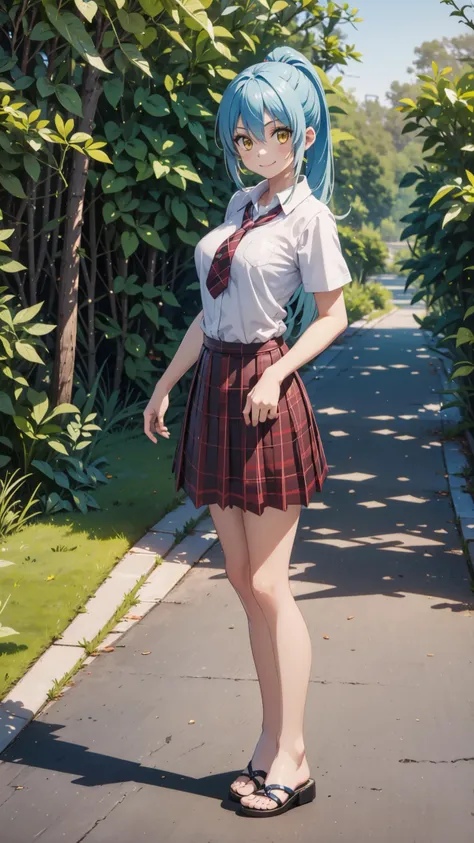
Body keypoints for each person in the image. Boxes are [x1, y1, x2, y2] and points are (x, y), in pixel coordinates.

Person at [143, 45, 352, 818]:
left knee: (269, 582)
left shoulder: (309, 214)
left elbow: (333, 316)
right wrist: (168, 382)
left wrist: (274, 372)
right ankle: (270, 743)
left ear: (302, 133)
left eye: (274, 133)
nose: (258, 149)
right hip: (218, 387)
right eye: (244, 138)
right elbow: (210, 311)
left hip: (265, 392)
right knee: (239, 579)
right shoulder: (240, 207)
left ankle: (294, 758)